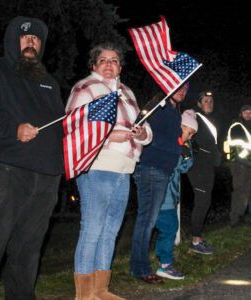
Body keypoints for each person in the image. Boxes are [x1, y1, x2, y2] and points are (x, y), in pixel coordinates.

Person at [0, 16, 65, 299]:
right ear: (12, 40)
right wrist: (12, 129)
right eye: (24, 37)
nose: (31, 42)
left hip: (44, 178)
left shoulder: (50, 84)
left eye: (36, 39)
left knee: (28, 250)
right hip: (4, 172)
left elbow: (60, 127)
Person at [65, 42, 152, 299]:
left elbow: (144, 128)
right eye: (103, 60)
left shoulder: (127, 92)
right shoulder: (85, 88)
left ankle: (101, 289)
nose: (109, 64)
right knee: (92, 228)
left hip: (124, 170)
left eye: (114, 60)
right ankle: (84, 294)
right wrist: (108, 137)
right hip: (97, 166)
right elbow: (74, 126)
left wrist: (143, 133)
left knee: (110, 231)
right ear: (94, 65)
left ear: (120, 67)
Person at [130, 83, 188, 284]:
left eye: (185, 88)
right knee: (147, 220)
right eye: (178, 86)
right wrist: (175, 146)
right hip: (151, 168)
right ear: (167, 86)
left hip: (162, 170)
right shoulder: (158, 106)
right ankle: (140, 268)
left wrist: (179, 148)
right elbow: (141, 132)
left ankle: (140, 266)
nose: (182, 91)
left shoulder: (173, 111)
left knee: (149, 220)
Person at [155, 109, 198, 280]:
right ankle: (165, 264)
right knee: (169, 227)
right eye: (189, 132)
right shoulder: (167, 140)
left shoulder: (185, 144)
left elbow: (184, 168)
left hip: (171, 195)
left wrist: (187, 155)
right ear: (180, 126)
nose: (189, 136)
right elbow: (166, 164)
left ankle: (163, 262)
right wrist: (177, 152)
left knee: (169, 227)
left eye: (192, 134)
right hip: (161, 193)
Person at [187, 91, 221, 254]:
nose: (209, 103)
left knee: (205, 201)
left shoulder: (211, 121)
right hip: (198, 166)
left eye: (211, 101)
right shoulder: (194, 117)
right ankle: (195, 241)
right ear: (199, 104)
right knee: (201, 201)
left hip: (208, 166)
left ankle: (198, 237)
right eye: (206, 101)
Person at [226, 105, 251, 227]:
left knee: (246, 192)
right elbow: (239, 146)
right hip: (240, 164)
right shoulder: (237, 126)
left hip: (247, 165)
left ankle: (240, 217)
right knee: (239, 191)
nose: (248, 115)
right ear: (241, 114)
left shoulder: (248, 129)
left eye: (250, 113)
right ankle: (235, 220)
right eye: (246, 113)